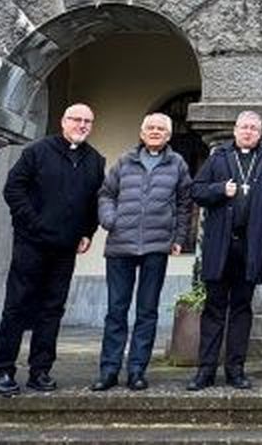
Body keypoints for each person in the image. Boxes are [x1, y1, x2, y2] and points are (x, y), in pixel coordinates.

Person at [0, 103, 105, 397]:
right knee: (17, 307)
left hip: (65, 247)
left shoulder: (95, 160)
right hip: (31, 243)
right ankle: (3, 370)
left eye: (87, 122)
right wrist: (33, 223)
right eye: (76, 119)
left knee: (52, 309)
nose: (82, 125)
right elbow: (13, 189)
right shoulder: (37, 151)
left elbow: (93, 201)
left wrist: (87, 232)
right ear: (63, 121)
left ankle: (40, 370)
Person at [90, 112, 192, 392]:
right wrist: (110, 220)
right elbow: (106, 194)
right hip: (120, 245)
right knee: (116, 311)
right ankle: (109, 370)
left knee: (147, 312)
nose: (156, 132)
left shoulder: (177, 164)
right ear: (142, 132)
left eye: (161, 128)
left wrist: (179, 237)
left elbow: (185, 204)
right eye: (151, 127)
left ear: (169, 135)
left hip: (156, 246)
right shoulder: (124, 161)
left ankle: (137, 370)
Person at [188, 109, 262, 390]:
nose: (249, 132)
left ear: (260, 132)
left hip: (250, 248)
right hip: (220, 246)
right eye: (244, 127)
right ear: (235, 130)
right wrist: (219, 189)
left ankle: (236, 370)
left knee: (242, 310)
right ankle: (205, 370)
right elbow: (197, 190)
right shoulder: (218, 156)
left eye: (254, 128)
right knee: (214, 309)